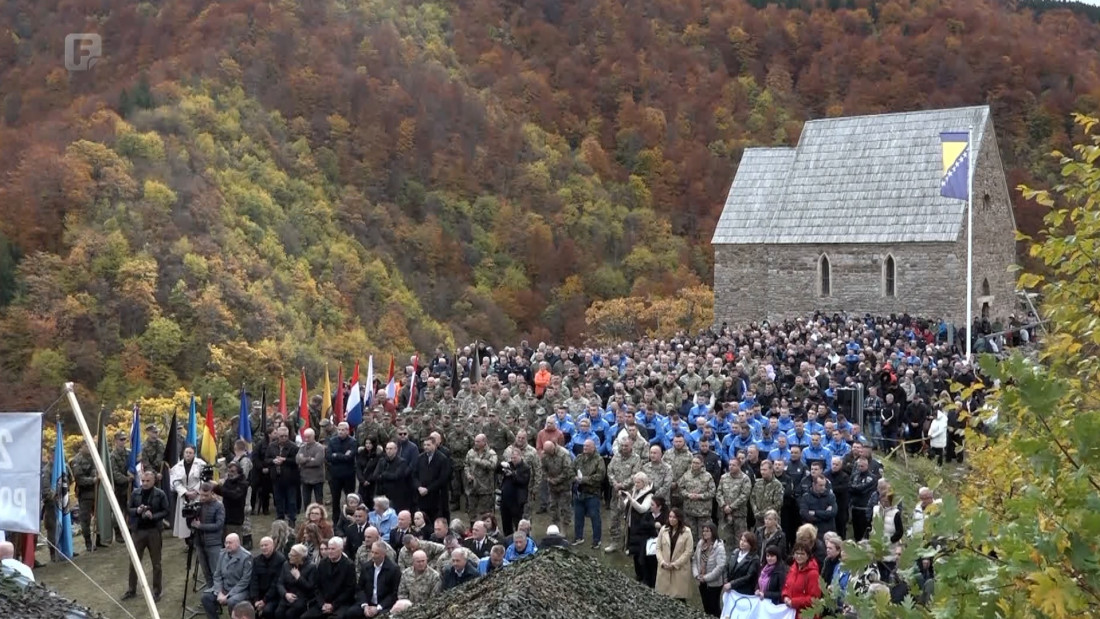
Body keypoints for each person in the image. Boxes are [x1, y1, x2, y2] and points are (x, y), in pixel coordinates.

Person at [123, 471, 168, 601]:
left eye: (148, 481)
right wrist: (137, 511)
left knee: (156, 563)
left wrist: (153, 516)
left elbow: (166, 510)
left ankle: (157, 591)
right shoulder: (135, 493)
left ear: (154, 481)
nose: (145, 483)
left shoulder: (160, 494)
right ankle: (132, 589)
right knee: (134, 562)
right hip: (138, 531)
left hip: (154, 531)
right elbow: (129, 509)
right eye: (143, 481)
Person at [202, 533, 254, 619]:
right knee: (206, 597)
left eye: (230, 543)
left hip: (240, 590)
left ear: (238, 543)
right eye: (226, 543)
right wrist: (219, 592)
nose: (227, 545)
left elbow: (245, 581)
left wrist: (228, 595)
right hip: (224, 588)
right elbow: (217, 575)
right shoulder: (222, 554)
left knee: (232, 601)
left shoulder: (247, 557)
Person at [351, 540, 401, 617]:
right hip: (367, 603)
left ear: (383, 554)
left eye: (376, 553)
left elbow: (393, 594)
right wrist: (365, 605)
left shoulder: (393, 570)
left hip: (384, 605)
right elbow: (360, 589)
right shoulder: (366, 567)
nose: (373, 555)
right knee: (351, 613)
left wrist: (378, 608)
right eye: (372, 552)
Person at [193, 482, 228, 590]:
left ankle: (218, 593)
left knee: (216, 572)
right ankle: (210, 593)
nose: (202, 498)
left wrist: (201, 526)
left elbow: (219, 525)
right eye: (201, 495)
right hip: (199, 542)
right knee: (206, 572)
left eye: (206, 495)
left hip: (214, 543)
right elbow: (192, 522)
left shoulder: (219, 506)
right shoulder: (198, 505)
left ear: (212, 493)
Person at [69, 442, 103, 552]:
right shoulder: (76, 460)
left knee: (99, 517)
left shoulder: (94, 457)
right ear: (81, 447)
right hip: (85, 493)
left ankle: (99, 539)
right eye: (87, 446)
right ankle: (88, 542)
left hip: (97, 491)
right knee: (85, 520)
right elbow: (79, 479)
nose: (89, 448)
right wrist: (92, 480)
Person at [655, 507, 694, 603]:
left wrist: (675, 564)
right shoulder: (663, 529)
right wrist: (662, 562)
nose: (671, 519)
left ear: (679, 519)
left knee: (679, 598)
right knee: (663, 598)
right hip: (664, 568)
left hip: (679, 569)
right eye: (670, 517)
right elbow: (658, 548)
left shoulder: (687, 532)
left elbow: (688, 551)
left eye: (674, 517)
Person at [572, 438, 605, 548]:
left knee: (595, 517)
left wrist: (584, 480)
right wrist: (575, 478)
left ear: (593, 447)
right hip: (579, 493)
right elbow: (571, 470)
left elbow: (600, 476)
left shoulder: (599, 460)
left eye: (587, 446)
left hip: (592, 494)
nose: (585, 448)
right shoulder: (579, 458)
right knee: (578, 517)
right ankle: (578, 537)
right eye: (584, 446)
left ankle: (597, 540)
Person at [623, 471, 655, 584]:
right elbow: (625, 504)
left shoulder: (648, 494)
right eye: (635, 482)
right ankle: (638, 574)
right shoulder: (634, 491)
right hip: (632, 526)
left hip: (642, 527)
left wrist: (632, 500)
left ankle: (645, 576)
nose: (636, 484)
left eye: (638, 482)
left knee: (642, 553)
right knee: (635, 552)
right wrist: (623, 499)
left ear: (644, 482)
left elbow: (643, 508)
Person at [171, 446, 210, 539]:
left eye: (190, 453)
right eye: (186, 452)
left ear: (194, 454)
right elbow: (175, 482)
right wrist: (185, 492)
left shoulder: (201, 464)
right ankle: (188, 542)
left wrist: (195, 491)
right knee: (184, 521)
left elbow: (204, 479)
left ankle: (198, 539)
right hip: (184, 496)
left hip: (197, 495)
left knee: (198, 517)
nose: (188, 454)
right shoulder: (177, 466)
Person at [414, 435, 452, 526]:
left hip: (436, 496)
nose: (426, 447)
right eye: (425, 445)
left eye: (428, 445)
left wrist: (428, 489)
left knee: (436, 520)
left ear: (434, 445)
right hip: (422, 496)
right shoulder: (420, 458)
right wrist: (418, 487)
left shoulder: (442, 459)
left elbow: (443, 478)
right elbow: (414, 475)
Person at [266, 427, 301, 525]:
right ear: (277, 436)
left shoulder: (294, 447)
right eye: (281, 436)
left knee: (291, 500)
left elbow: (296, 461)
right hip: (276, 477)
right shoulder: (271, 446)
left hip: (290, 479)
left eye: (286, 436)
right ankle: (280, 517)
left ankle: (292, 519)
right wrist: (273, 461)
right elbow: (266, 459)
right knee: (278, 499)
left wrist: (284, 460)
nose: (284, 438)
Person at [692, 522, 727, 616]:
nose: (704, 533)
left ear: (713, 532)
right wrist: (696, 575)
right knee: (706, 607)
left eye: (707, 531)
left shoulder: (719, 547)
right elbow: (695, 560)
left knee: (714, 608)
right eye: (703, 531)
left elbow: (720, 567)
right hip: (701, 581)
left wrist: (706, 578)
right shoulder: (700, 544)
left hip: (714, 584)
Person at [217, 462, 253, 549]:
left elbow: (235, 495)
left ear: (239, 471)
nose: (230, 473)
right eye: (229, 471)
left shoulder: (243, 483)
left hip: (236, 518)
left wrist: (219, 488)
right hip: (225, 516)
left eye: (233, 471)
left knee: (234, 544)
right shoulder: (228, 481)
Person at [249, 536, 286, 618]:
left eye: (266, 545)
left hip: (274, 596)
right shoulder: (256, 560)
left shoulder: (280, 560)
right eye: (262, 546)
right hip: (259, 595)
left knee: (267, 611)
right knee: (247, 609)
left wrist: (264, 600)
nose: (263, 548)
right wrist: (256, 599)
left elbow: (276, 583)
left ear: (272, 546)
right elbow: (254, 580)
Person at [327, 422, 359, 518]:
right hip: (335, 476)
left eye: (343, 430)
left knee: (350, 499)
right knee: (335, 499)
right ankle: (336, 520)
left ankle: (351, 517)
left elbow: (349, 457)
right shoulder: (332, 441)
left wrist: (336, 455)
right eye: (339, 430)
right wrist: (342, 455)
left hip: (348, 475)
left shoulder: (352, 442)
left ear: (347, 431)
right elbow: (328, 456)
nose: (340, 432)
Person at [781, 543, 822, 615]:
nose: (799, 556)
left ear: (808, 556)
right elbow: (786, 586)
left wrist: (794, 602)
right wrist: (785, 596)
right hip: (791, 613)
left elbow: (814, 599)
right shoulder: (792, 569)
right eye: (797, 553)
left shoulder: (813, 574)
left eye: (802, 554)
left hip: (805, 615)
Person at [498, 449, 530, 536]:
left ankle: (521, 537)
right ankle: (508, 538)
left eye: (515, 458)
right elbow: (497, 470)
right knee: (506, 521)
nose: (513, 460)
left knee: (517, 521)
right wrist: (501, 465)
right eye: (512, 458)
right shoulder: (509, 465)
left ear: (520, 456)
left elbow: (523, 481)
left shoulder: (525, 467)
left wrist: (512, 474)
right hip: (505, 499)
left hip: (517, 499)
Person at [724, 531, 760, 597]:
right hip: (731, 590)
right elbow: (726, 567)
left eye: (745, 541)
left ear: (751, 544)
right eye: (741, 540)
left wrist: (732, 584)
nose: (742, 543)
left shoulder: (754, 558)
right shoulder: (735, 552)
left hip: (744, 592)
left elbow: (748, 577)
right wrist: (726, 580)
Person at [297, 429, 327, 507]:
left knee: (319, 500)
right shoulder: (302, 447)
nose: (306, 439)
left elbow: (317, 462)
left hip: (317, 478)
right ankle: (308, 515)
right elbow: (297, 460)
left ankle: (320, 515)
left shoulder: (319, 448)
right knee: (306, 500)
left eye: (308, 437)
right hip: (305, 478)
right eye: (305, 437)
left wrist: (303, 462)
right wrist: (309, 458)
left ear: (313, 436)